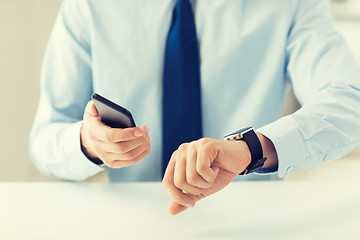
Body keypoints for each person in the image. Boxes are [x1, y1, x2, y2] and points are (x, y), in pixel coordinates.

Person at [30, 0, 360, 215]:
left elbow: (350, 102)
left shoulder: (291, 4)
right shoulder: (89, 6)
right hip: (131, 220)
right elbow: (45, 139)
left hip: (253, 220)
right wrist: (88, 143)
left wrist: (249, 149)